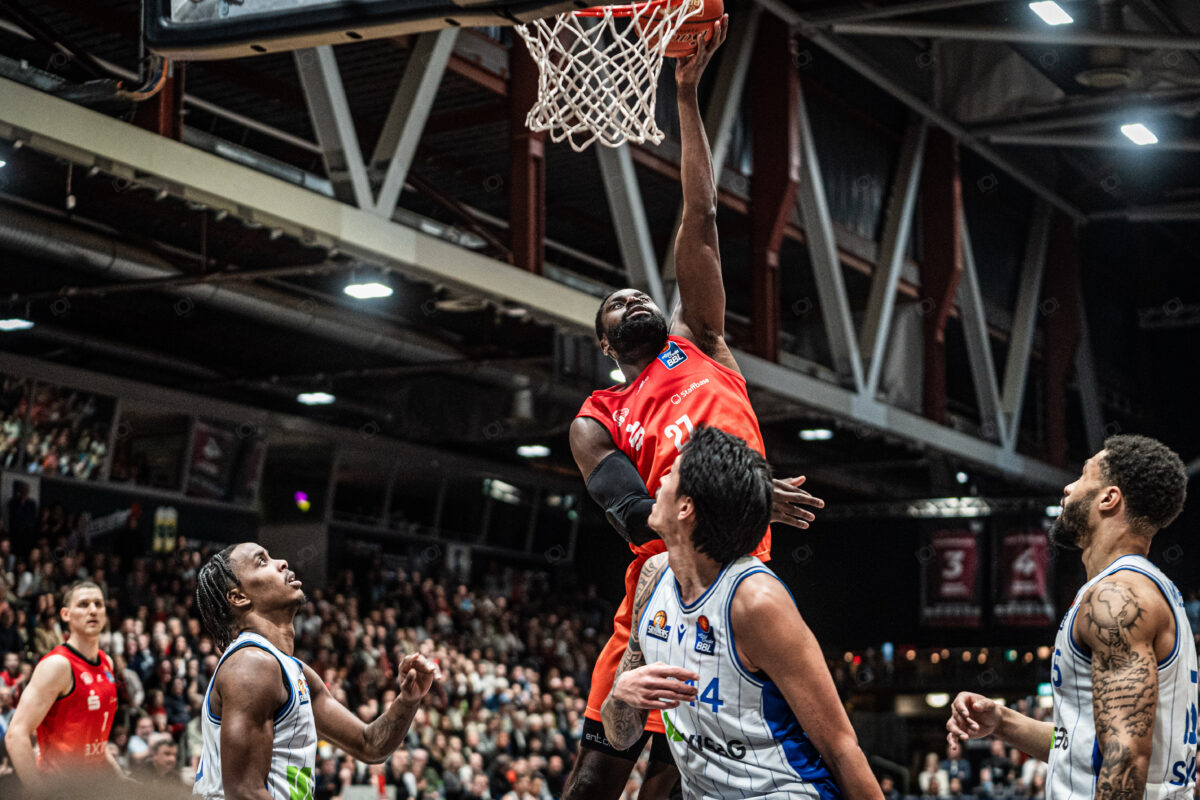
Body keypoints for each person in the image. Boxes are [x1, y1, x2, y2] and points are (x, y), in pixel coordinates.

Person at [564, 17, 824, 800]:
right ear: (608, 344)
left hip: (739, 585)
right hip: (657, 591)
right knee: (595, 775)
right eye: (616, 303)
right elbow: (636, 511)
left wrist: (685, 95)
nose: (634, 297)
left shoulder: (701, 342)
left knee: (682, 778)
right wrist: (738, 495)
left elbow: (701, 214)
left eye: (640, 290)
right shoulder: (597, 414)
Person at [600, 425, 881, 799]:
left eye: (672, 473)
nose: (661, 479)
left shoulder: (755, 602)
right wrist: (621, 694)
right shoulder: (652, 579)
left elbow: (842, 747)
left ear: (686, 507)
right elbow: (621, 737)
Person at [947, 435, 1195, 800]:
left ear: (1109, 498)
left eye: (1082, 476)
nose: (1067, 488)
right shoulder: (1145, 590)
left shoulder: (1117, 598)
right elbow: (1084, 747)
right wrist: (1002, 722)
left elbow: (1124, 760)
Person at [193, 543, 440, 800]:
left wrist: (408, 700)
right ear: (239, 597)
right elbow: (245, 793)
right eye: (262, 561)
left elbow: (370, 745)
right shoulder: (251, 664)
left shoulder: (292, 670)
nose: (282, 562)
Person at [3, 581, 123, 792]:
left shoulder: (107, 663)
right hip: (60, 788)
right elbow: (16, 734)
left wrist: (121, 779)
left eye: (98, 604)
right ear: (65, 614)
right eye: (84, 604)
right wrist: (38, 791)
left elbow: (95, 741)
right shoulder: (58, 665)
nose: (93, 610)